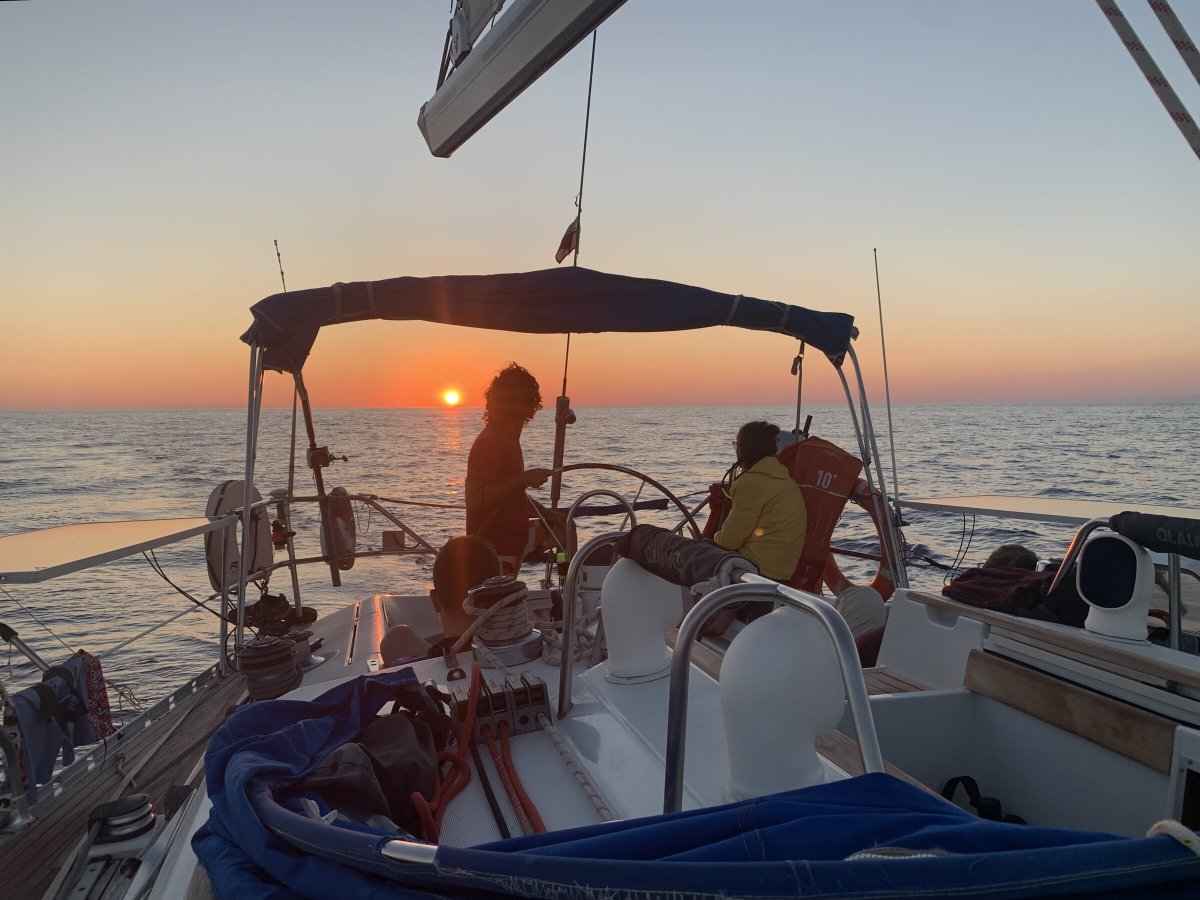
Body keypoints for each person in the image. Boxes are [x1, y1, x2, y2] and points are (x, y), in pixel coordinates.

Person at [465, 363, 553, 573]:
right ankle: (568, 596)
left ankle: (564, 596)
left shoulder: (508, 439)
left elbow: (510, 493)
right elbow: (474, 499)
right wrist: (523, 478)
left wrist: (545, 514)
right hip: (492, 547)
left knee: (563, 529)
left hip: (514, 536)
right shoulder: (492, 441)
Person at [379, 535, 502, 666]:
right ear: (499, 599)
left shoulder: (409, 672)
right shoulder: (521, 651)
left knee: (395, 638)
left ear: (435, 601)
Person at [713, 421, 808, 581]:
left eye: (736, 446)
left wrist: (715, 537)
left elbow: (729, 541)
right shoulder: (783, 476)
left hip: (760, 570)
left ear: (743, 449)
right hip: (782, 570)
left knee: (697, 551)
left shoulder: (750, 483)